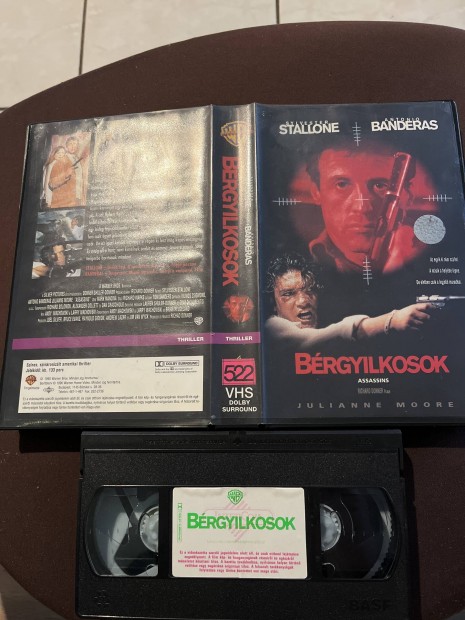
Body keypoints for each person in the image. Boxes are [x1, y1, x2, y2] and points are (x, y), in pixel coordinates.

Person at [265, 253, 434, 350]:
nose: (303, 301)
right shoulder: (271, 328)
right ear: (273, 302)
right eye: (288, 294)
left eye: (310, 290)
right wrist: (392, 320)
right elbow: (332, 333)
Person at [304, 139, 425, 273]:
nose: (362, 207)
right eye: (342, 184)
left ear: (408, 196)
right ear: (316, 193)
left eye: (380, 185)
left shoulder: (430, 254)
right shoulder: (300, 259)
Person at [65, 136, 85, 205]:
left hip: (78, 193)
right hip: (68, 194)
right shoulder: (64, 158)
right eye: (70, 144)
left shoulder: (77, 158)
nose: (72, 146)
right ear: (66, 146)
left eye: (75, 144)